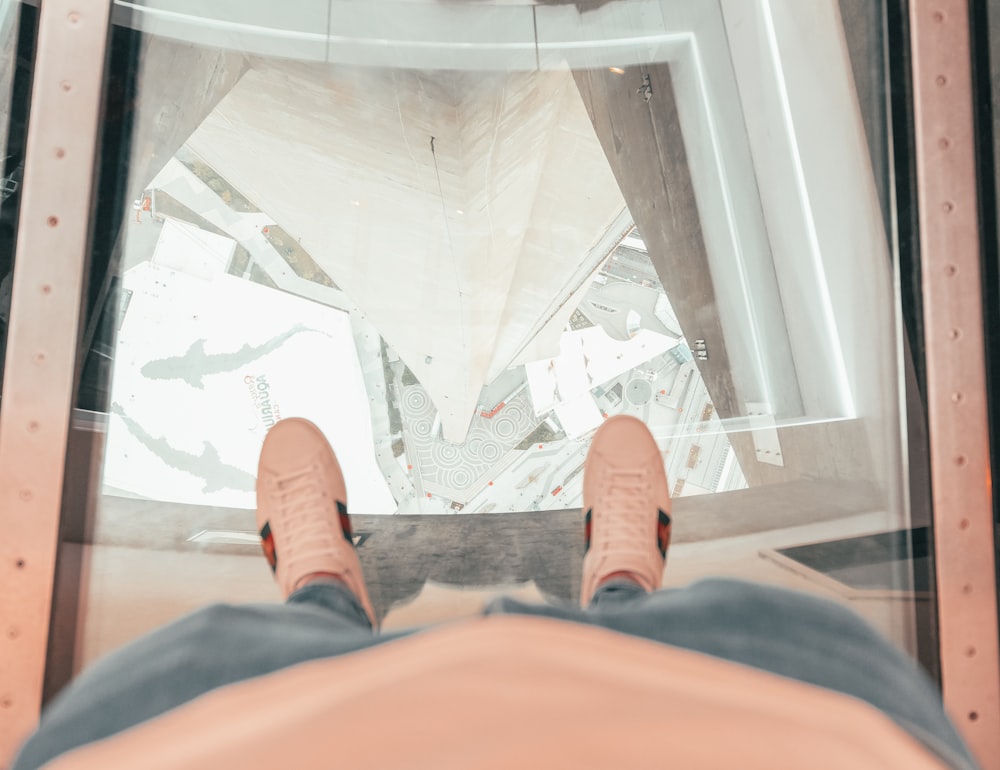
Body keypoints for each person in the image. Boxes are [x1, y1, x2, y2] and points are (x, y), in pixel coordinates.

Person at [11, 416, 979, 769]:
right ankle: (619, 581)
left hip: (203, 741)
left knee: (231, 649)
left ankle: (321, 585)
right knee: (730, 635)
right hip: (788, 731)